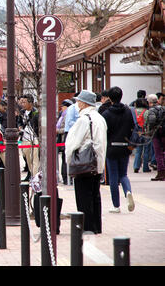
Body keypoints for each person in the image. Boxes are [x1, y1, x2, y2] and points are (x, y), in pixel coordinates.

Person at [65, 90, 107, 234]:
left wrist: (69, 161)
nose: (77, 104)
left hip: (84, 163)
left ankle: (87, 226)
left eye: (78, 101)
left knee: (83, 197)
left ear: (83, 103)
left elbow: (72, 144)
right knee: (95, 196)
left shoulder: (84, 119)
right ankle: (96, 226)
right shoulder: (99, 118)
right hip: (97, 163)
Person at [102, 86, 135, 213]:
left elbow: (105, 132)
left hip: (111, 147)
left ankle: (116, 205)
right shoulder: (128, 111)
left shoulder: (106, 113)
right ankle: (128, 192)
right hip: (125, 146)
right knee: (123, 174)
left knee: (113, 177)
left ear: (109, 98)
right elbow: (133, 127)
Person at [18, 94, 39, 181]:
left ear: (30, 103)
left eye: (24, 102)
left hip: (34, 139)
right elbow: (19, 122)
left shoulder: (35, 112)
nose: (22, 104)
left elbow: (37, 126)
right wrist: (20, 127)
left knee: (34, 160)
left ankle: (35, 178)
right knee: (28, 159)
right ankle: (31, 174)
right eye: (22, 102)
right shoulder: (22, 112)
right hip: (24, 139)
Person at [145, 94, 165, 181]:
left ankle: (161, 172)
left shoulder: (152, 110)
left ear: (149, 102)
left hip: (157, 134)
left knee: (158, 153)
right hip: (164, 133)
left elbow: (152, 121)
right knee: (163, 152)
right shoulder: (163, 108)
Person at [132, 98, 151, 173]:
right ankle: (145, 167)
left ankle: (136, 166)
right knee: (146, 151)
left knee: (138, 151)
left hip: (137, 133)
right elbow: (148, 122)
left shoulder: (134, 111)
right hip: (145, 133)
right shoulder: (146, 112)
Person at [57, 99, 73, 184]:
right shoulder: (62, 115)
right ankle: (65, 177)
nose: (61, 108)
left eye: (62, 107)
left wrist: (58, 130)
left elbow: (67, 128)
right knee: (63, 160)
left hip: (65, 139)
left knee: (65, 160)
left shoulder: (68, 115)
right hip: (61, 140)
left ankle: (67, 178)